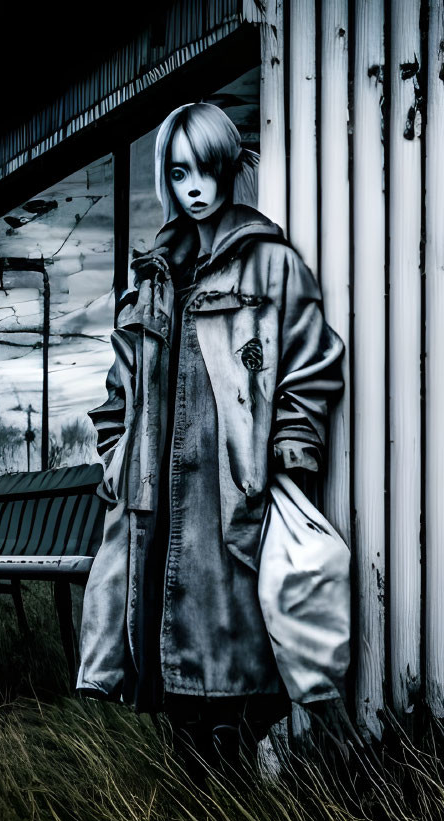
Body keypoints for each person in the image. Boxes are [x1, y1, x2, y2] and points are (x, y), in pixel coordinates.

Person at [76, 101, 345, 773]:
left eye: (205, 169)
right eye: (178, 172)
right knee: (169, 681)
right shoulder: (150, 278)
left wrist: (286, 457)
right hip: (156, 504)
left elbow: (311, 364)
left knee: (233, 677)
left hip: (229, 497)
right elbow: (118, 393)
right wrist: (116, 458)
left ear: (227, 169)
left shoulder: (270, 267)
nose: (193, 186)